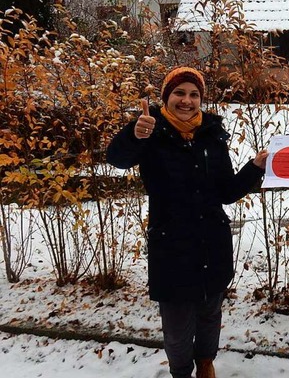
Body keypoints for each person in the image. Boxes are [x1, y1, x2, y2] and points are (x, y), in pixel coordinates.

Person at [106, 67, 267, 378]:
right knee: (178, 325)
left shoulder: (212, 135)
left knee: (210, 314)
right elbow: (117, 158)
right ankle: (181, 372)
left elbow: (226, 191)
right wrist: (133, 134)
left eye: (194, 94)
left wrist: (255, 167)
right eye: (179, 93)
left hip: (212, 242)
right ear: (167, 96)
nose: (187, 100)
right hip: (172, 245)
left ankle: (206, 363)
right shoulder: (150, 131)